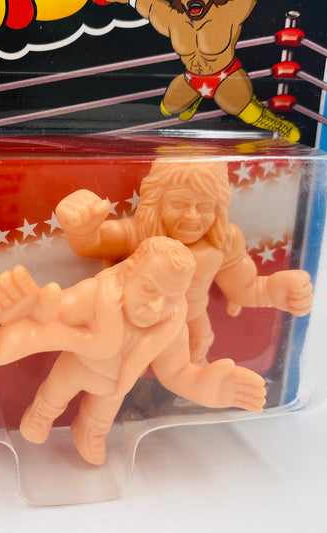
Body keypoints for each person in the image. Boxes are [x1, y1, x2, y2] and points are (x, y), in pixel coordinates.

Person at [0, 237, 266, 465]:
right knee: (55, 393)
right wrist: (34, 309)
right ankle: (42, 413)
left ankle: (90, 433)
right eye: (148, 289)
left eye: (170, 298)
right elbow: (57, 310)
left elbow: (176, 371)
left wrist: (201, 386)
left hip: (116, 386)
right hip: (78, 366)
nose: (156, 307)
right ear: (129, 273)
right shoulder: (95, 296)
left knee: (101, 417)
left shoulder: (170, 327)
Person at [55, 159, 313, 365]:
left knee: (192, 362)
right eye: (179, 204)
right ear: (156, 202)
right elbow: (94, 245)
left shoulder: (223, 241)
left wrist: (275, 292)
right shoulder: (141, 234)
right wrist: (82, 229)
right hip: (139, 330)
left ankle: (191, 388)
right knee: (125, 373)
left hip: (193, 330)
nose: (192, 216)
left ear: (219, 207)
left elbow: (243, 289)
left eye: (204, 206)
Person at [106, 0, 300, 141]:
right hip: (192, 77)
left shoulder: (230, 12)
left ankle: (277, 125)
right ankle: (196, 98)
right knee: (168, 107)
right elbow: (141, 3)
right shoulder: (171, 18)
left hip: (226, 76)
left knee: (240, 107)